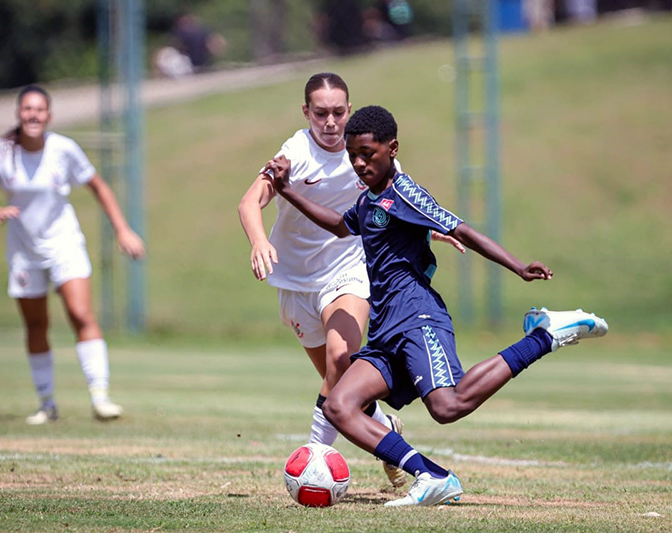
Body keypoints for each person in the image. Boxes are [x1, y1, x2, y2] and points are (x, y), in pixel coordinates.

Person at [266, 105, 609, 507]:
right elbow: (341, 225)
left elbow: (458, 227)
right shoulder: (369, 199)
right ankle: (432, 476)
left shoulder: (404, 192)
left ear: (392, 149)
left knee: (448, 405)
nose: (359, 164)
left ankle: (545, 335)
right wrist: (288, 190)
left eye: (368, 154)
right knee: (340, 405)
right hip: (385, 328)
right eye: (353, 155)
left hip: (416, 316)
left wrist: (516, 266)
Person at [238, 73, 462, 488]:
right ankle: (386, 431)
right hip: (296, 281)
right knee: (338, 380)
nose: (330, 122)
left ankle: (313, 463)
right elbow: (250, 201)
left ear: (348, 109)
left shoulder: (365, 149)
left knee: (342, 359)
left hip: (350, 269)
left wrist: (432, 228)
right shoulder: (295, 152)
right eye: (320, 113)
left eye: (339, 112)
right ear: (306, 112)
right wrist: (257, 241)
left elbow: (398, 204)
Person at [0, 85, 146, 425]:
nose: (33, 115)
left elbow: (99, 186)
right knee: (36, 324)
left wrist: (123, 229)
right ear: (18, 113)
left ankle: (100, 397)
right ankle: (47, 404)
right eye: (27, 109)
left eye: (39, 109)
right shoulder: (0, 151)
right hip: (23, 251)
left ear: (49, 116)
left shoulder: (64, 149)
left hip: (65, 244)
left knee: (81, 314)